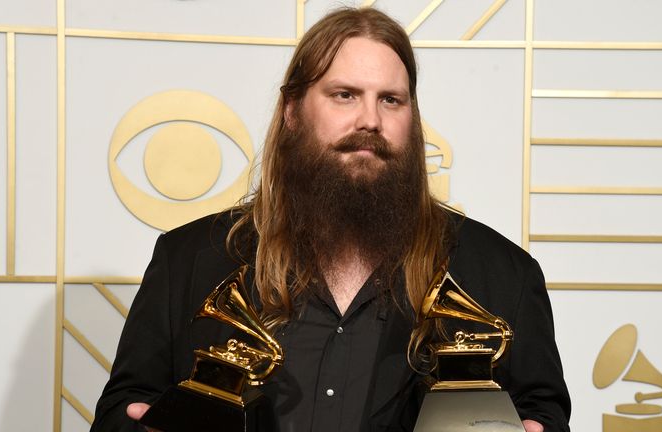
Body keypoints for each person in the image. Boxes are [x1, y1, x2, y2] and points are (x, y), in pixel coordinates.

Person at [91, 7, 570, 432]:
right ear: (294, 111)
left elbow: (542, 414)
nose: (370, 120)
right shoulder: (189, 261)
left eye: (391, 100)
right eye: (344, 95)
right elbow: (121, 413)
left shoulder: (504, 276)